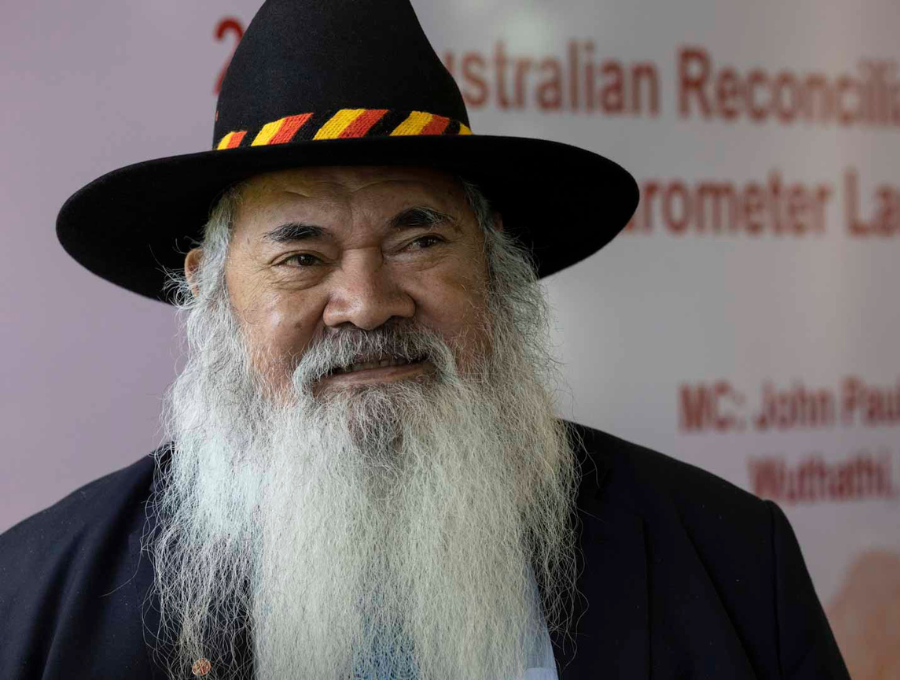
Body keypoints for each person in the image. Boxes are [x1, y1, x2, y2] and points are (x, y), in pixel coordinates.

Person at [0, 0, 850, 679]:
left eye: (420, 242)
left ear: (498, 269)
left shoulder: (728, 558)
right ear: (208, 288)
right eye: (302, 256)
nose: (367, 305)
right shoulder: (37, 597)